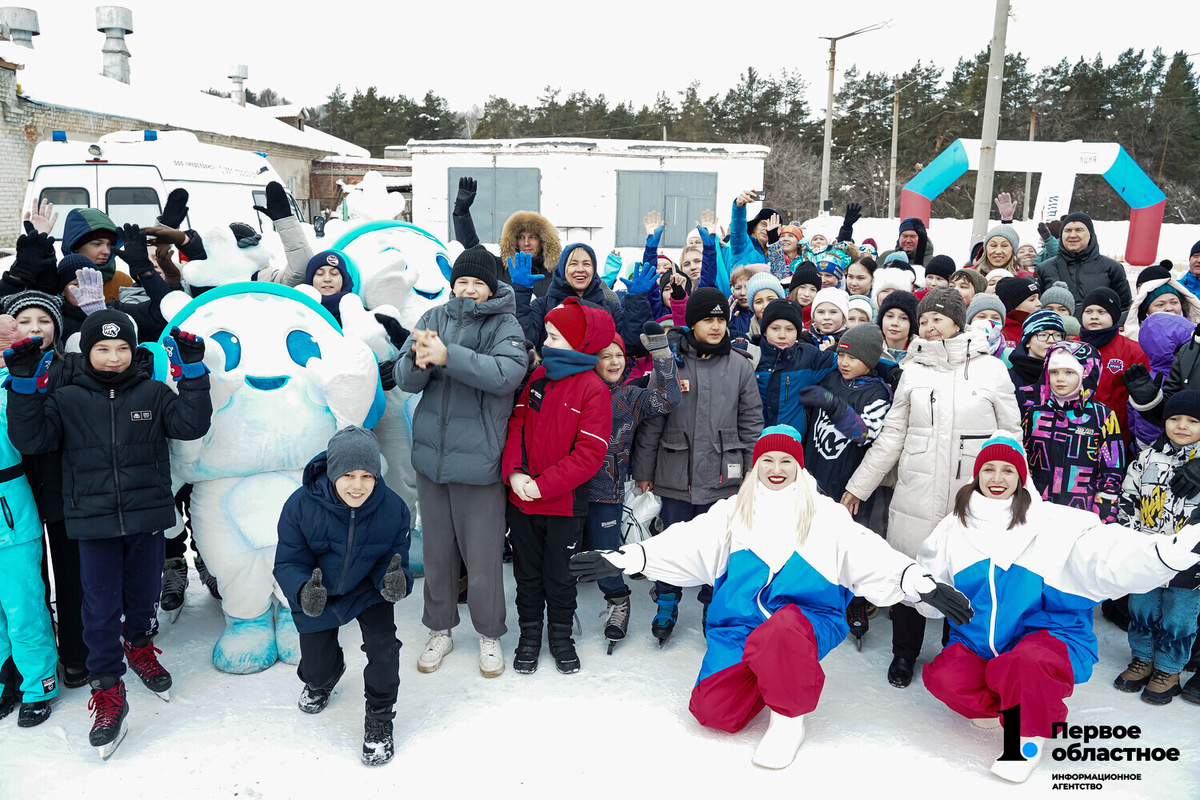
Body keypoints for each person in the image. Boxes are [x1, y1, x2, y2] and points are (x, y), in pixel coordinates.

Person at [571, 426, 972, 769]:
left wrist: (916, 581)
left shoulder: (825, 514)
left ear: (799, 467)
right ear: (755, 465)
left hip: (805, 622)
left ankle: (788, 716)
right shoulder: (732, 511)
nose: (776, 470)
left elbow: (869, 552)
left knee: (781, 631)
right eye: (768, 461)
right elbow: (685, 542)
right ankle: (769, 673)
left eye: (786, 462)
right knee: (714, 713)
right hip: (740, 628)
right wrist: (629, 557)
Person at [916, 433, 1200, 783]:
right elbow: (928, 581)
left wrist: (1168, 552)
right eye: (988, 469)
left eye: (1007, 470)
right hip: (978, 639)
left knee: (1026, 663)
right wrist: (922, 591)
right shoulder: (953, 526)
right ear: (977, 475)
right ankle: (1008, 705)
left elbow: (1109, 553)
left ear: (1022, 477)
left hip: (1048, 634)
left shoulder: (1053, 523)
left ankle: (1025, 737)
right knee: (945, 677)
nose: (997, 478)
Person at [4, 311, 212, 757]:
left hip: (145, 517)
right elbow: (32, 439)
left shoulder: (154, 393)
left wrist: (193, 372)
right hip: (92, 523)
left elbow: (191, 425)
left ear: (134, 352)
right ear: (87, 352)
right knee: (98, 607)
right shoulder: (66, 399)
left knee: (142, 596)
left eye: (122, 349)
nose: (113, 357)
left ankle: (139, 647)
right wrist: (22, 385)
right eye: (102, 348)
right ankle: (107, 686)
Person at [843, 288, 1020, 689]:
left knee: (964, 577)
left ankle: (954, 654)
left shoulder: (990, 370)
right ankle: (904, 653)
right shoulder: (914, 370)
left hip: (971, 497)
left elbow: (1010, 435)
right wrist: (859, 487)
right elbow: (891, 435)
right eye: (923, 320)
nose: (928, 326)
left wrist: (1013, 488)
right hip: (915, 495)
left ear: (958, 322)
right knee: (913, 571)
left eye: (937, 318)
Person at [393, 246, 526, 678]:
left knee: (482, 555)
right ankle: (440, 628)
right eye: (462, 282)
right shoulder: (433, 318)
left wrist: (449, 356)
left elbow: (506, 375)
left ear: (491, 287)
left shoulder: (505, 323)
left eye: (477, 283)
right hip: (432, 459)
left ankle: (489, 635)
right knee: (436, 552)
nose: (468, 290)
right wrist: (419, 358)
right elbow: (404, 379)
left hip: (480, 461)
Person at [631, 288, 763, 644]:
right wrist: (643, 471)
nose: (717, 326)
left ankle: (712, 606)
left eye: (721, 319)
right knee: (673, 542)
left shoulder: (739, 366)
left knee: (718, 547)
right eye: (708, 319)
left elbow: (751, 421)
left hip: (724, 476)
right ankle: (667, 600)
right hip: (675, 475)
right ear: (692, 323)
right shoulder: (670, 365)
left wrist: (752, 466)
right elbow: (653, 421)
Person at [273, 426, 411, 766]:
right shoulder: (300, 506)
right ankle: (324, 678)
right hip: (318, 591)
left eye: (367, 475)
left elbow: (394, 560)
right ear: (332, 472)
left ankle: (379, 717)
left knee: (384, 647)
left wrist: (394, 580)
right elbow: (289, 561)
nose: (358, 485)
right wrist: (304, 589)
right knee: (316, 669)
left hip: (367, 588)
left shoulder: (393, 509)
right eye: (348, 475)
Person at [502, 298, 614, 675]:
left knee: (560, 576)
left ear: (580, 343)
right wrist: (515, 473)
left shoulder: (593, 389)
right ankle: (529, 634)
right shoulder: (538, 377)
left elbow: (589, 454)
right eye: (547, 334)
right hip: (523, 501)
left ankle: (561, 635)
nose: (546, 342)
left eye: (555, 336)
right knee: (526, 575)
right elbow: (516, 425)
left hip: (563, 506)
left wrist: (543, 485)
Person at [585, 322, 681, 652]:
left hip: (607, 493)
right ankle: (558, 612)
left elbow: (671, 396)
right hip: (566, 490)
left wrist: (661, 352)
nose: (614, 362)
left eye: (619, 356)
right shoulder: (577, 391)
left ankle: (617, 601)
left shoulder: (631, 397)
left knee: (605, 553)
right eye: (604, 356)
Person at [1115, 390, 1200, 705]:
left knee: (1179, 617)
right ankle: (1143, 658)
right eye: (1174, 418)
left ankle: (1169, 669)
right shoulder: (1148, 456)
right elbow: (1129, 497)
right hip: (1148, 551)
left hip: (1189, 561)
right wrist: (1128, 537)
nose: (1181, 426)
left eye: (1193, 421)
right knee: (1142, 609)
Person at [0, 319, 59, 728]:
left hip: (10, 515)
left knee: (23, 606)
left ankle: (39, 683)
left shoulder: (19, 383)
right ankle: (7, 678)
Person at [1022, 341, 1125, 521]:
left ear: (1086, 373)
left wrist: (1104, 515)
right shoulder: (1034, 413)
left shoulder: (1103, 416)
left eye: (1069, 372)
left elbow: (1111, 469)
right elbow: (1023, 459)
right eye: (1054, 372)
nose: (1060, 378)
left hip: (1082, 511)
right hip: (1037, 506)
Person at [1078, 287, 1149, 443]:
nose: (1094, 317)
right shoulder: (1069, 348)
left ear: (1114, 316)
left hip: (1116, 432)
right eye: (1088, 311)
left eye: (1102, 312)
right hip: (1073, 429)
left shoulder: (1134, 351)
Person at [756, 298, 838, 431]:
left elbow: (850, 359)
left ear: (798, 332)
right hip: (755, 440)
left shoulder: (808, 356)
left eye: (789, 329)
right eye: (775, 328)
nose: (782, 335)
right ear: (764, 331)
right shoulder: (751, 354)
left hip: (793, 441)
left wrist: (878, 362)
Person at [1036, 212, 1132, 322]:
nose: (1072, 235)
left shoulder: (1112, 268)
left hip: (1098, 334)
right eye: (1067, 230)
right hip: (1056, 334)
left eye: (1079, 230)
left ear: (1090, 234)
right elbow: (1037, 306)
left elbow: (1124, 307)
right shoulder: (1045, 268)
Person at [59, 208, 132, 303]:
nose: (106, 251)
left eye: (109, 244)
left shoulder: (121, 281)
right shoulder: (58, 280)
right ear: (75, 247)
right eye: (97, 244)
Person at [1007, 309, 1066, 403]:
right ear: (1027, 342)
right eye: (1043, 335)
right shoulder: (1008, 378)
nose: (1051, 340)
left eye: (1057, 335)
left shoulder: (1072, 374)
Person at [994, 276, 1042, 350]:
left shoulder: (1043, 325)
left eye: (1038, 298)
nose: (1039, 303)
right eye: (1032, 300)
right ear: (1013, 305)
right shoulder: (1001, 333)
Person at [877, 290, 918, 363]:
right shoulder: (870, 350)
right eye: (890, 316)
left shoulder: (923, 353)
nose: (894, 323)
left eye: (903, 318)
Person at [745, 272, 787, 338]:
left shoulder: (800, 337)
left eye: (771, 299)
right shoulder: (746, 342)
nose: (765, 306)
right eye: (759, 302)